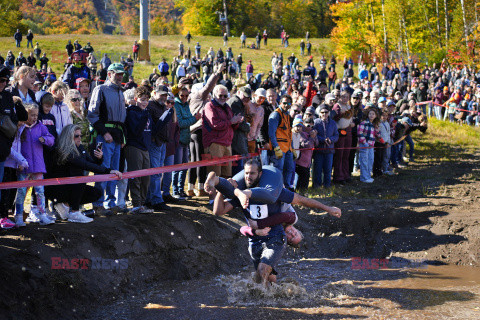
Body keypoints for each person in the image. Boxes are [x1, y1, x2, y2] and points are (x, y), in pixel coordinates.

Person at [205, 160, 341, 286]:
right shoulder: (240, 191)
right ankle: (274, 299)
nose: (248, 177)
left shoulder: (275, 191)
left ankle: (261, 304)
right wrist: (221, 190)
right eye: (246, 173)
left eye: (252, 173)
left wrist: (328, 208)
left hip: (275, 238)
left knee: (262, 270)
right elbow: (219, 211)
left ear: (260, 174)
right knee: (268, 280)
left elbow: (302, 200)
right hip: (255, 241)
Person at [45, 124, 122, 223]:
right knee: (80, 179)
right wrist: (108, 171)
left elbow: (91, 163)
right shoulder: (64, 150)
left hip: (71, 187)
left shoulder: (80, 147)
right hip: (56, 189)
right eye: (76, 136)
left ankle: (65, 205)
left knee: (96, 193)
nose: (79, 138)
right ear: (68, 137)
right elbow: (84, 165)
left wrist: (99, 158)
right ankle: (74, 212)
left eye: (80, 135)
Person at [87, 63, 126, 214]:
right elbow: (92, 114)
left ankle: (111, 202)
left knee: (115, 171)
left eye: (122, 74)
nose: (120, 77)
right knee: (103, 170)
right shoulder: (100, 89)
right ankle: (97, 204)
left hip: (117, 136)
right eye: (117, 74)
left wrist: (123, 138)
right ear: (109, 74)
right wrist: (104, 133)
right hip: (104, 137)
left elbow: (122, 119)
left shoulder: (120, 92)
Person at [15, 103, 55, 226]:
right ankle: (19, 216)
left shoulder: (41, 126)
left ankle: (42, 215)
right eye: (32, 115)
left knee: (40, 192)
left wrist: (45, 139)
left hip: (38, 166)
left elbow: (51, 139)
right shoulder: (20, 128)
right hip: (24, 166)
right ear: (25, 114)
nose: (34, 117)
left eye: (36, 115)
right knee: (21, 192)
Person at [0, 66, 28, 229]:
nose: (3, 83)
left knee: (2, 186)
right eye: (0, 80)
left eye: (5, 80)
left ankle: (3, 216)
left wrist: (7, 144)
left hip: (2, 151)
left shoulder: (8, 96)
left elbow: (19, 119)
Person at [124, 86, 155, 213]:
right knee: (135, 177)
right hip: (134, 146)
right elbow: (136, 131)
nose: (144, 102)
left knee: (145, 178)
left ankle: (142, 203)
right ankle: (136, 204)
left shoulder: (145, 113)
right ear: (136, 99)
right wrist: (144, 117)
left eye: (147, 100)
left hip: (145, 147)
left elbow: (153, 130)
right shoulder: (132, 112)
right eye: (142, 99)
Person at [202, 85, 243, 180]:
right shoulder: (209, 106)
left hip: (227, 143)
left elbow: (231, 124)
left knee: (227, 174)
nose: (223, 98)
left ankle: (223, 195)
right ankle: (213, 195)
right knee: (214, 175)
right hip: (214, 144)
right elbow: (215, 124)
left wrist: (237, 121)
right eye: (220, 96)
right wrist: (232, 121)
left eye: (225, 96)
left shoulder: (227, 107)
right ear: (214, 95)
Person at [145, 84, 173, 211]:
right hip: (154, 143)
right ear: (154, 93)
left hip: (161, 142)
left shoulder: (162, 106)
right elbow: (150, 126)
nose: (163, 97)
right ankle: (155, 199)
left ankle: (152, 198)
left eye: (165, 95)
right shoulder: (150, 106)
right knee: (155, 172)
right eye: (161, 94)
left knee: (157, 172)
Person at [173, 87, 201, 199]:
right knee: (177, 167)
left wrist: (193, 117)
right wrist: (194, 119)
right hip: (179, 140)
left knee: (185, 166)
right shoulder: (176, 105)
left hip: (186, 139)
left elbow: (187, 119)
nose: (184, 98)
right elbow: (180, 123)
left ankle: (181, 189)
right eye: (182, 96)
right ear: (178, 95)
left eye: (186, 95)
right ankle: (175, 190)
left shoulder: (185, 105)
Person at [268, 94, 295, 188]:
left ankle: (286, 189)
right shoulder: (276, 114)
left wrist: (292, 148)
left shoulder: (287, 115)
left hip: (287, 148)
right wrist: (276, 147)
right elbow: (271, 133)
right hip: (279, 148)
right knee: (277, 171)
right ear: (280, 103)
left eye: (289, 103)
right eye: (284, 103)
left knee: (289, 169)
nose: (286, 105)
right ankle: (276, 189)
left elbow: (288, 133)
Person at [312, 105, 338, 188]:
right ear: (319, 113)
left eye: (326, 112)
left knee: (328, 169)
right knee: (317, 169)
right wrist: (323, 140)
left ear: (329, 113)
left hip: (329, 150)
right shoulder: (316, 122)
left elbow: (336, 135)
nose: (324, 114)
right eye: (322, 112)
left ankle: (327, 185)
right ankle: (317, 185)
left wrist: (331, 139)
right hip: (319, 150)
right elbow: (313, 135)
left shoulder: (333, 123)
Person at [228, 87, 252, 175]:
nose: (247, 99)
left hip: (236, 139)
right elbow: (238, 123)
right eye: (245, 96)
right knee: (237, 170)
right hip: (235, 140)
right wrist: (248, 127)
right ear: (238, 92)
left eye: (248, 97)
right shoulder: (235, 102)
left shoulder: (239, 103)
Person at [357, 107, 384, 183]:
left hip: (371, 146)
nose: (371, 115)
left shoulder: (374, 125)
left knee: (370, 161)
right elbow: (360, 133)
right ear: (367, 115)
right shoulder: (364, 123)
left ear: (375, 116)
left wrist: (379, 133)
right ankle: (364, 177)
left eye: (373, 114)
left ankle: (368, 176)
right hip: (364, 145)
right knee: (364, 161)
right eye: (370, 114)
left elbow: (377, 134)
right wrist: (364, 142)